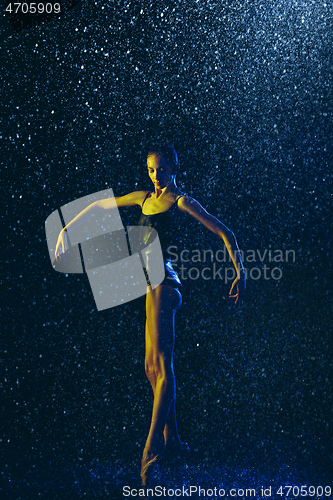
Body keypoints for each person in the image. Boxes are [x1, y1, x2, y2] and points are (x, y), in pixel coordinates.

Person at [55, 144, 246, 485]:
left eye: (161, 169)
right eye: (151, 170)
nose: (156, 176)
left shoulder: (181, 202)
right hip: (149, 284)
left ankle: (150, 453)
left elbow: (224, 232)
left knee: (162, 366)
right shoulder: (143, 198)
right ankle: (173, 441)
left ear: (174, 168)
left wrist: (239, 271)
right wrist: (68, 228)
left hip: (164, 281)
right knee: (150, 367)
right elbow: (102, 204)